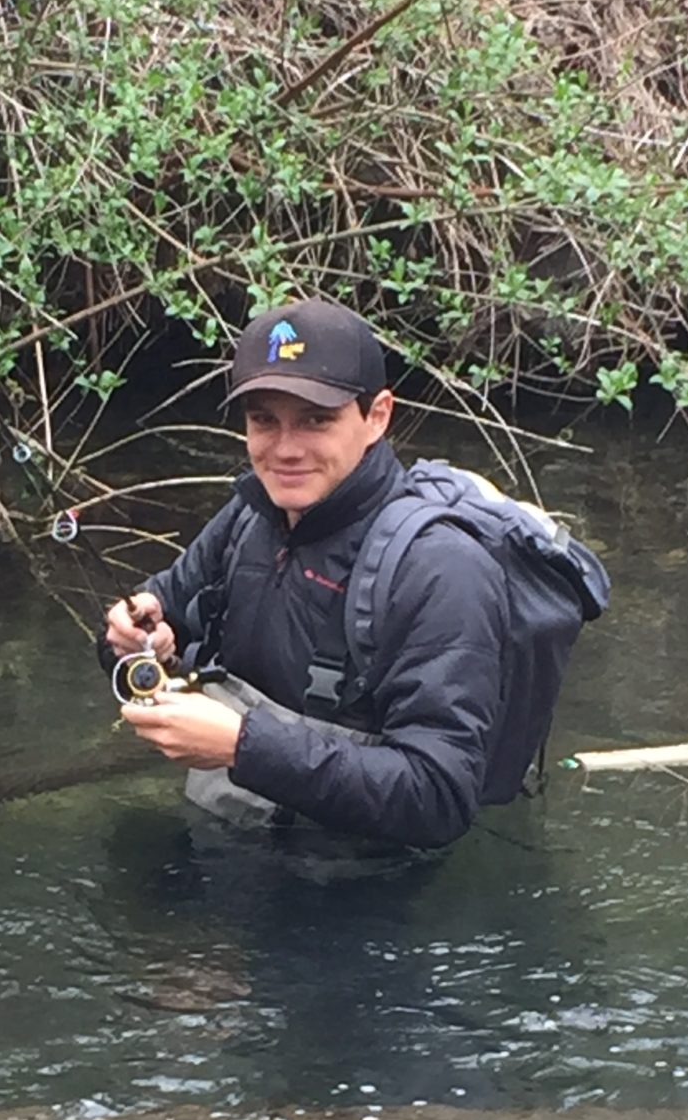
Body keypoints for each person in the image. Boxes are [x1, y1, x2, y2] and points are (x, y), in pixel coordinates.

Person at [101, 298, 561, 852]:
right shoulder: (249, 515)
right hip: (237, 843)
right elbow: (151, 631)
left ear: (377, 417)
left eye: (316, 420)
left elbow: (440, 797)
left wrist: (242, 746)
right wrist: (133, 642)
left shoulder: (443, 570)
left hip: (368, 888)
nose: (285, 450)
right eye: (264, 421)